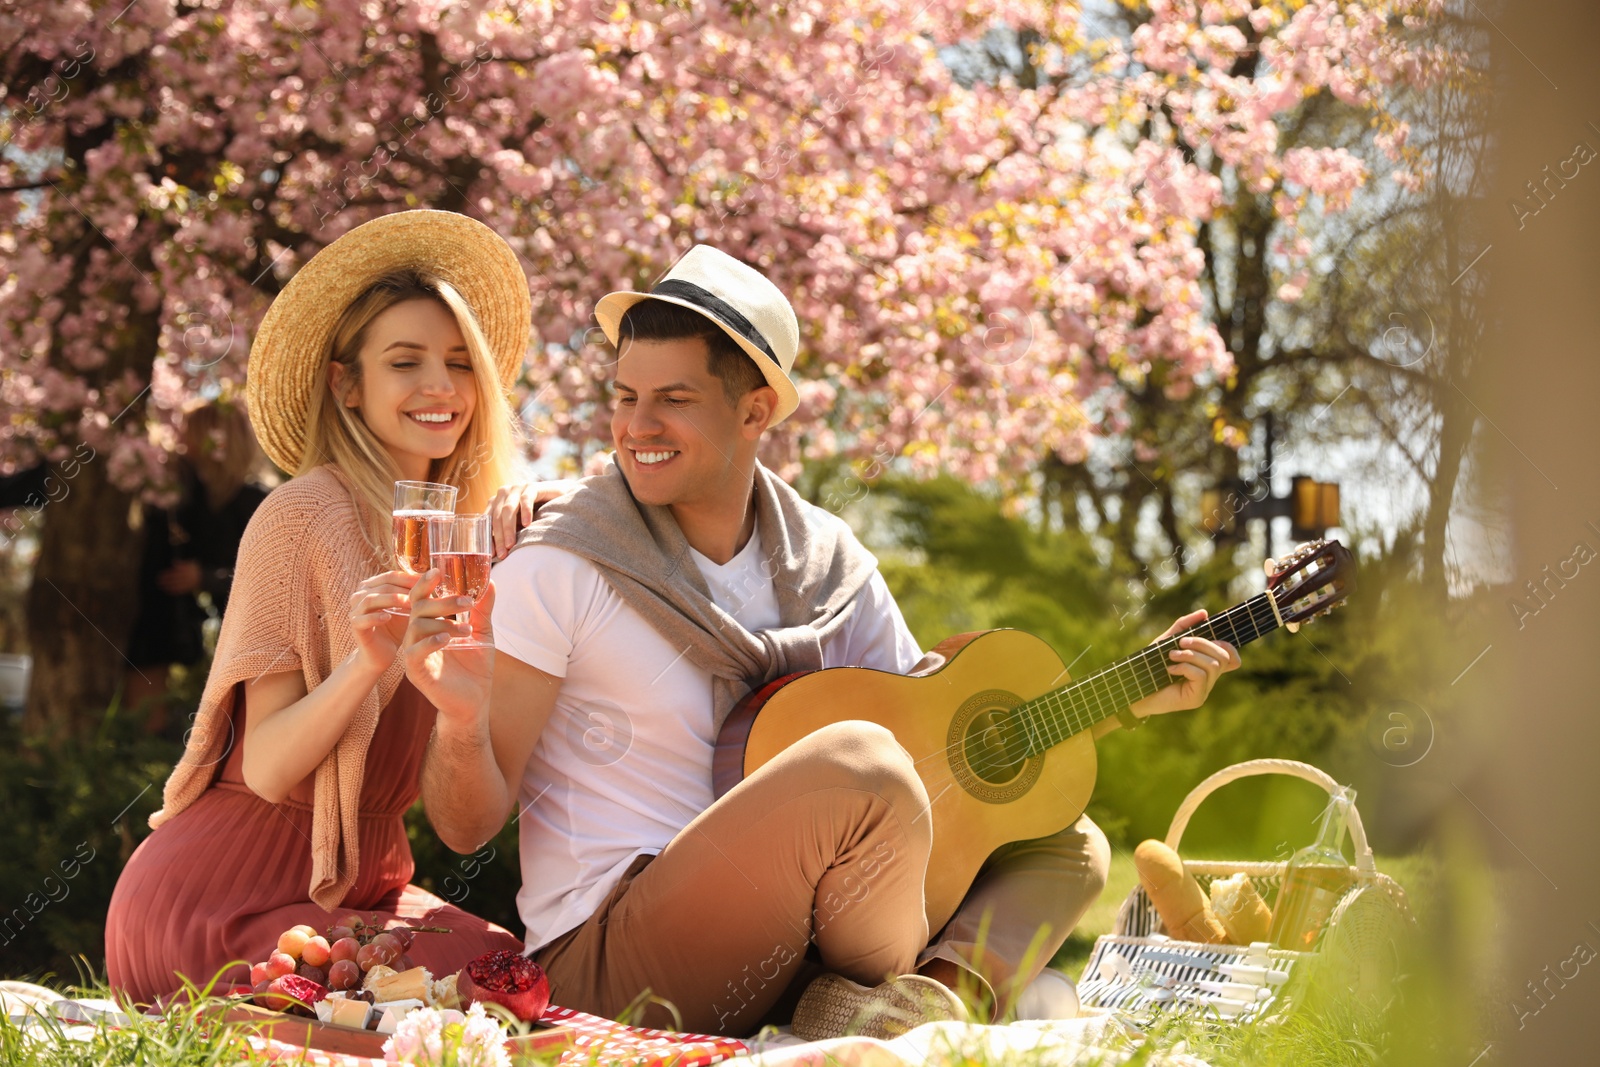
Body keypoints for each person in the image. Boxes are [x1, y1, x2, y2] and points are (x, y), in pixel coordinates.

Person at [406, 246, 1242, 1037]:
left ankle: (917, 1010)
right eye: (624, 396)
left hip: (800, 940)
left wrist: (1128, 698)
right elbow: (466, 828)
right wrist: (456, 718)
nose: (636, 425)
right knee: (859, 766)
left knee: (1066, 839)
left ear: (756, 409)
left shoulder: (825, 561)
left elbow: (947, 756)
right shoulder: (563, 564)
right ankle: (907, 1007)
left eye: (675, 398)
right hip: (618, 957)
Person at [106, 210, 531, 1002]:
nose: (440, 387)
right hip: (222, 893)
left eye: (458, 362)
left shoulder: (470, 545)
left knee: (503, 966)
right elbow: (264, 765)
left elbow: (461, 827)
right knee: (460, 989)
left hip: (360, 894)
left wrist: (463, 717)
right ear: (347, 383)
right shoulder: (302, 514)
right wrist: (366, 665)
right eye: (405, 362)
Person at [124, 400, 272, 730]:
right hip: (177, 619)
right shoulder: (187, 492)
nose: (178, 438)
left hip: (251, 632)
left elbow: (270, 578)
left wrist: (204, 578)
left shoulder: (253, 499)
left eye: (189, 431)